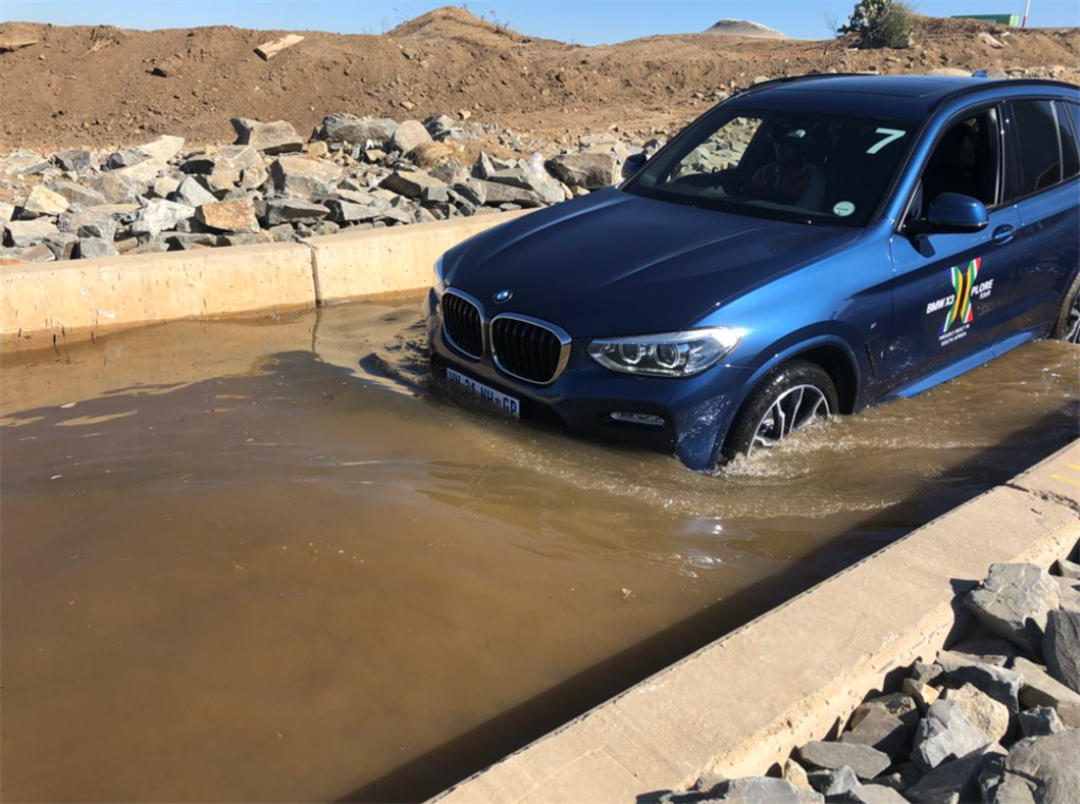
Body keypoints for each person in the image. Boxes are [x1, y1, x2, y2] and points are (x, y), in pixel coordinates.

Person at [748, 125, 826, 211]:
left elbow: (806, 211)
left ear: (800, 147)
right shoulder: (764, 172)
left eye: (788, 144)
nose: (781, 148)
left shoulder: (813, 177)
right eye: (777, 143)